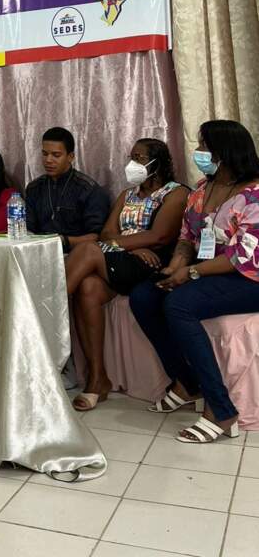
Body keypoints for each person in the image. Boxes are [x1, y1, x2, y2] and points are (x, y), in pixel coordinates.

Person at [129, 120, 259, 443]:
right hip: (208, 271)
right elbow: (188, 237)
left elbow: (240, 257)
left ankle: (221, 410)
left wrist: (190, 274)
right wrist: (176, 266)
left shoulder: (254, 194)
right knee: (145, 296)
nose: (198, 152)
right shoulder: (202, 189)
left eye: (204, 146)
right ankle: (187, 383)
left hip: (248, 278)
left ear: (224, 153)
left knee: (179, 304)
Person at [65, 139, 188, 411]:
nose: (133, 164)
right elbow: (107, 233)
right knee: (88, 287)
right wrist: (133, 246)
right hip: (125, 258)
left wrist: (128, 244)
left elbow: (160, 236)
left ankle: (45, 312)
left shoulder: (175, 193)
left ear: (157, 163)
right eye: (131, 157)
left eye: (139, 158)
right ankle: (97, 378)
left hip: (153, 263)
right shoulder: (127, 195)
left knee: (87, 249)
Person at [25, 127, 110, 250]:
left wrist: (63, 241)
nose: (48, 160)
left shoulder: (88, 189)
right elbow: (27, 229)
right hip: (38, 251)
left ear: (70, 156)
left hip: (76, 254)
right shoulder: (34, 188)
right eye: (45, 154)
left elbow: (96, 237)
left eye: (56, 155)